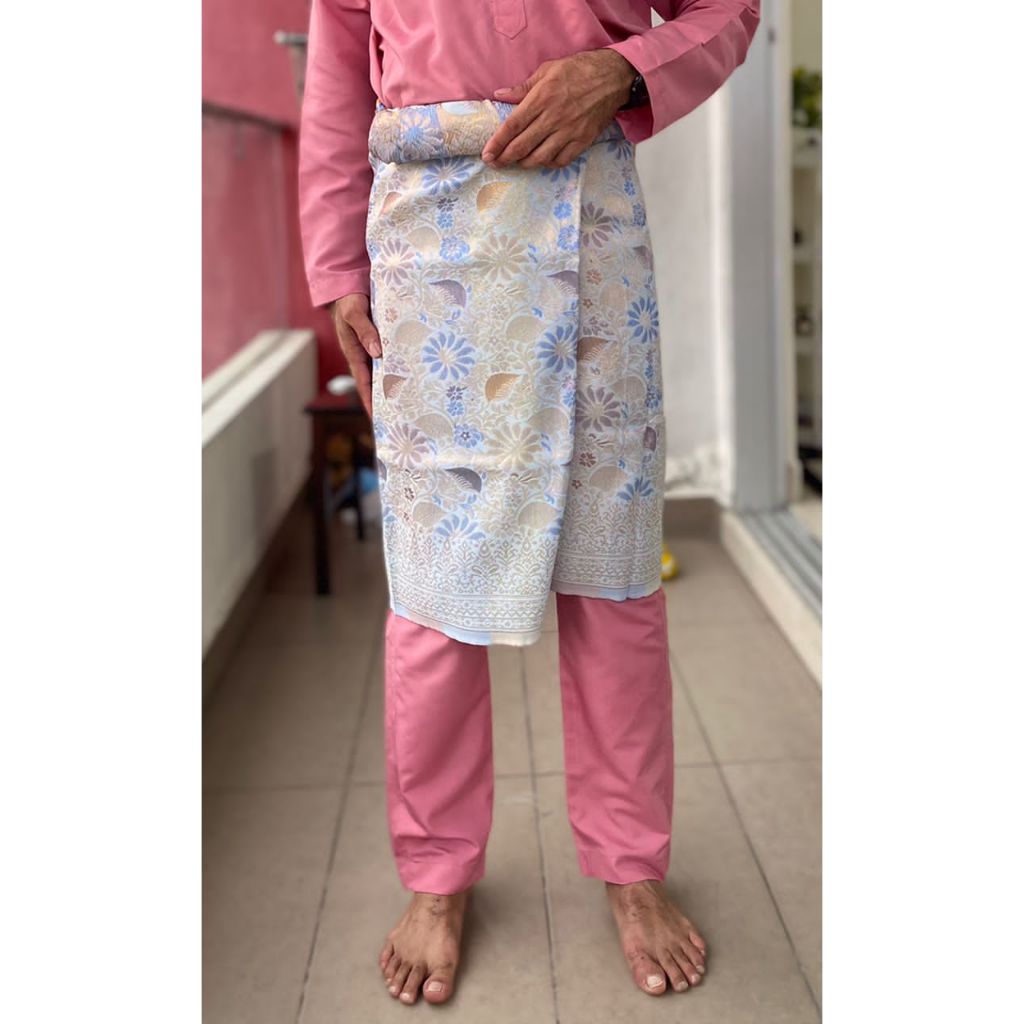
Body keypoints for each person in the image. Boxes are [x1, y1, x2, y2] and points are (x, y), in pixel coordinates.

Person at [298, 0, 760, 1006]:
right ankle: (436, 875)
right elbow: (335, 76)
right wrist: (336, 268)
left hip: (585, 219)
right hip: (425, 246)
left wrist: (626, 70)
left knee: (612, 576)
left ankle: (631, 867)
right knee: (434, 587)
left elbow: (728, 11)